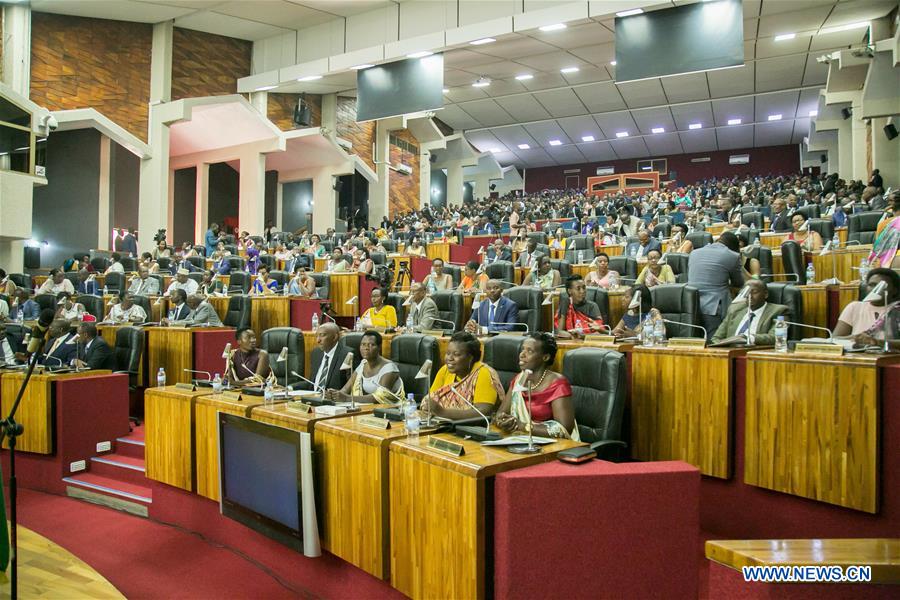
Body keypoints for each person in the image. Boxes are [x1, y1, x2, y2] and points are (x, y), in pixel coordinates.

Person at [494, 333, 578, 440]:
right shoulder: (519, 379)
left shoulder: (558, 384)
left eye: (530, 351)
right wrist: (503, 420)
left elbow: (564, 428)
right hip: (520, 439)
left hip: (555, 445)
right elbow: (501, 413)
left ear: (545, 357)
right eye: (522, 349)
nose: (522, 355)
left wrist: (524, 426)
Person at [422, 331, 503, 420]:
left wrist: (443, 412)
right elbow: (432, 399)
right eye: (448, 353)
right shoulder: (445, 370)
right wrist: (428, 407)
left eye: (456, 354)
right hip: (443, 425)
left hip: (472, 429)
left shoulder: (483, 373)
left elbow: (484, 412)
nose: (449, 358)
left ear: (470, 357)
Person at [687, 231, 745, 338]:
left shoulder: (694, 253)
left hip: (690, 305)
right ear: (734, 247)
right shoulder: (732, 255)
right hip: (713, 307)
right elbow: (739, 283)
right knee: (714, 342)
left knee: (695, 342)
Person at [324, 330, 402, 404]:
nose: (366, 348)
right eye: (363, 344)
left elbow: (379, 397)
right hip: (368, 409)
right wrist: (334, 394)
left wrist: (347, 398)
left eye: (371, 345)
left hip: (390, 410)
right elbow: (345, 389)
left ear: (379, 347)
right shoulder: (363, 364)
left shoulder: (389, 368)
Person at [834, 268, 900, 349]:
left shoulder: (897, 309)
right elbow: (835, 338)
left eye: (881, 286)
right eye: (871, 285)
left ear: (895, 290)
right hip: (857, 356)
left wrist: (877, 342)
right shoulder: (854, 307)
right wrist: (855, 338)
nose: (875, 289)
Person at [711, 280, 787, 345]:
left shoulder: (779, 311)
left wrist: (747, 337)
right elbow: (716, 338)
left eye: (754, 292)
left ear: (766, 294)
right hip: (730, 353)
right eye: (746, 292)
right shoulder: (734, 310)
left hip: (755, 353)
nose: (749, 296)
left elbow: (776, 337)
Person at [305, 323, 350, 391]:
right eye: (317, 336)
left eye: (322, 335)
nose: (318, 340)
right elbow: (312, 383)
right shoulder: (316, 353)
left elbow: (350, 385)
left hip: (334, 399)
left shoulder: (347, 354)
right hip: (314, 397)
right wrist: (290, 387)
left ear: (335, 337)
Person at [868, 191, 900, 269]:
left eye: (890, 200)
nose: (887, 203)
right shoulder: (885, 222)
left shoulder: (886, 223)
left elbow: (878, 249)